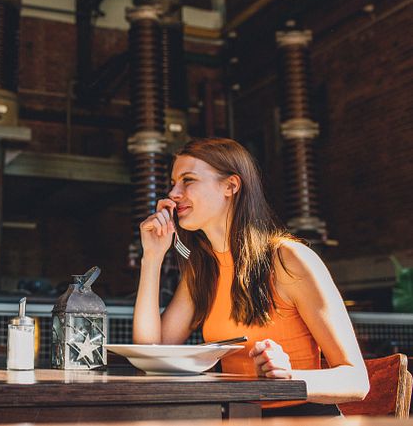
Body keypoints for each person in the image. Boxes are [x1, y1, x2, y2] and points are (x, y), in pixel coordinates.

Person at [133, 137, 369, 416]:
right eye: (173, 182)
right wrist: (153, 257)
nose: (173, 192)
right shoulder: (203, 269)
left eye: (188, 180)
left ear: (231, 186)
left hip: (302, 418)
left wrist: (288, 375)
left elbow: (356, 381)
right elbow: (152, 351)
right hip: (240, 417)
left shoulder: (288, 259)